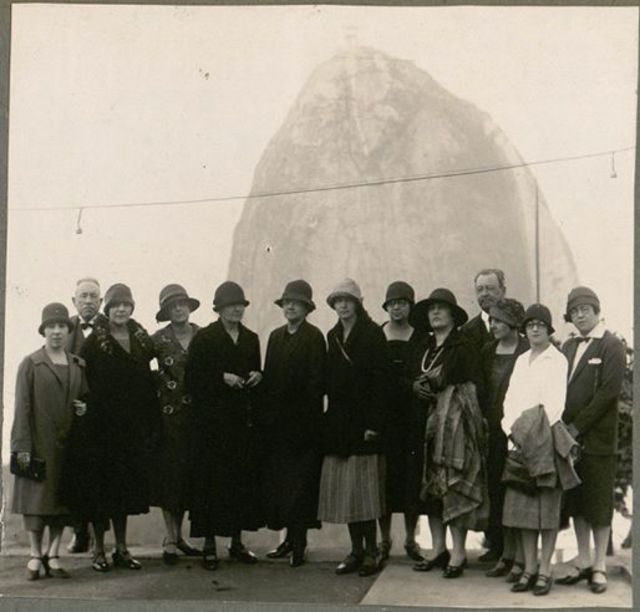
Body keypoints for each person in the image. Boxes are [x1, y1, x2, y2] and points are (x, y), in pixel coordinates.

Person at [78, 283, 160, 571]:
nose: (122, 309)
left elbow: (148, 382)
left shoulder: (141, 340)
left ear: (132, 308)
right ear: (108, 309)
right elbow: (83, 382)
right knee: (103, 491)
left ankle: (121, 549)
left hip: (131, 428)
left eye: (126, 304)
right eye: (116, 305)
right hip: (102, 428)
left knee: (124, 492)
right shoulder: (93, 342)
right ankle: (98, 550)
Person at [408, 288, 488, 579]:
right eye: (431, 310)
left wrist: (450, 398)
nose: (436, 313)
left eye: (441, 308)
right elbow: (409, 376)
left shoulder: (463, 345)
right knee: (431, 488)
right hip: (426, 426)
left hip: (455, 428)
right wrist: (413, 386)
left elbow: (474, 385)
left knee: (454, 485)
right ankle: (438, 548)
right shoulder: (424, 346)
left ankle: (458, 550)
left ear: (453, 314)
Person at [185, 281, 264, 571]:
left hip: (242, 425)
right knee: (210, 485)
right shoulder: (205, 338)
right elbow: (191, 380)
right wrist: (221, 378)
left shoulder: (251, 338)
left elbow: (256, 370)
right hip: (211, 427)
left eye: (240, 305)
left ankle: (236, 542)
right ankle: (208, 545)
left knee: (239, 484)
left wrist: (258, 375)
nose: (236, 310)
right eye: (231, 306)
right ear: (219, 309)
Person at [317, 278, 391, 577]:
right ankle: (356, 550)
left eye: (347, 300)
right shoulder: (333, 335)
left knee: (365, 491)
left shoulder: (372, 334)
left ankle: (372, 550)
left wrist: (374, 423)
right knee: (347, 490)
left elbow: (381, 382)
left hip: (364, 423)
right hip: (338, 422)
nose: (343, 305)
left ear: (358, 303)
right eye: (338, 301)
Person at [10, 303, 88, 580]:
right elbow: (22, 408)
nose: (57, 332)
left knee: (62, 504)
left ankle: (53, 554)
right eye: (51, 327)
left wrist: (82, 408)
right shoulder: (31, 363)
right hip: (39, 444)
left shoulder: (78, 365)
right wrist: (21, 448)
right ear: (44, 331)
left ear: (68, 331)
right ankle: (34, 554)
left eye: (62, 327)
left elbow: (84, 399)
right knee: (36, 504)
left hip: (68, 447)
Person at [501, 304, 574, 597]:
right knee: (523, 511)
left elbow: (554, 404)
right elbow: (509, 400)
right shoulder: (520, 361)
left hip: (545, 439)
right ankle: (529, 568)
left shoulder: (556, 360)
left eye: (540, 325)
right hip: (518, 441)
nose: (534, 329)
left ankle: (545, 570)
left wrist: (528, 432)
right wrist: (511, 430)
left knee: (546, 510)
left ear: (548, 329)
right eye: (530, 325)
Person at [557, 287, 625, 594]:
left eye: (585, 309)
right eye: (574, 311)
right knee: (577, 502)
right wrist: (564, 430)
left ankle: (599, 565)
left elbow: (607, 393)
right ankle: (583, 560)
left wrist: (577, 428)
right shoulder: (569, 346)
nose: (580, 314)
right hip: (570, 440)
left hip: (596, 440)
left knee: (598, 504)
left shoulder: (611, 345)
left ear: (597, 311)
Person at [262, 280, 326, 567]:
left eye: (296, 303)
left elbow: (316, 383)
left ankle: (299, 543)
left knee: (301, 487)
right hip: (278, 426)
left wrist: (302, 418)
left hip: (304, 426)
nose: (290, 306)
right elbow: (269, 377)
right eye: (287, 302)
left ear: (306, 308)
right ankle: (287, 540)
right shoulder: (276, 337)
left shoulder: (314, 337)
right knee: (282, 485)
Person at [150, 284, 202, 564]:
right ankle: (170, 537)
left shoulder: (204, 336)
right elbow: (137, 367)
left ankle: (179, 537)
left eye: (182, 303)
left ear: (190, 306)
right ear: (167, 312)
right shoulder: (156, 340)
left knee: (186, 478)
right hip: (167, 419)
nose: (179, 309)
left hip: (197, 419)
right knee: (169, 477)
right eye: (173, 306)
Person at [480, 298, 529, 578]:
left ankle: (520, 556)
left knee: (517, 491)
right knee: (496, 491)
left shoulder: (525, 350)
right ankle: (502, 552)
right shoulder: (487, 351)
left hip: (517, 432)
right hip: (492, 431)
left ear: (512, 323)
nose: (493, 325)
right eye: (491, 320)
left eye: (498, 320)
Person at [377, 281, 425, 563]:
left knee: (410, 480)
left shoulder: (420, 337)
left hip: (413, 417)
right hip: (385, 418)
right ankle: (384, 540)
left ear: (410, 306)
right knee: (384, 480)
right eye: (392, 302)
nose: (397, 307)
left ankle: (410, 539)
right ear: (386, 306)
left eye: (403, 302)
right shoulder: (377, 334)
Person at [65, 277, 103, 554]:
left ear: (101, 302)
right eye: (83, 296)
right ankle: (79, 531)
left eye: (93, 296)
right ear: (74, 301)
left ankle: (101, 536)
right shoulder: (61, 328)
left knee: (101, 473)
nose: (88, 301)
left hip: (103, 412)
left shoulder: (112, 326)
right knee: (74, 471)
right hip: (72, 411)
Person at [461, 269, 507, 355]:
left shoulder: (518, 325)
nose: (484, 293)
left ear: (503, 291)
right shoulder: (466, 331)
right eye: (480, 289)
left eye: (490, 288)